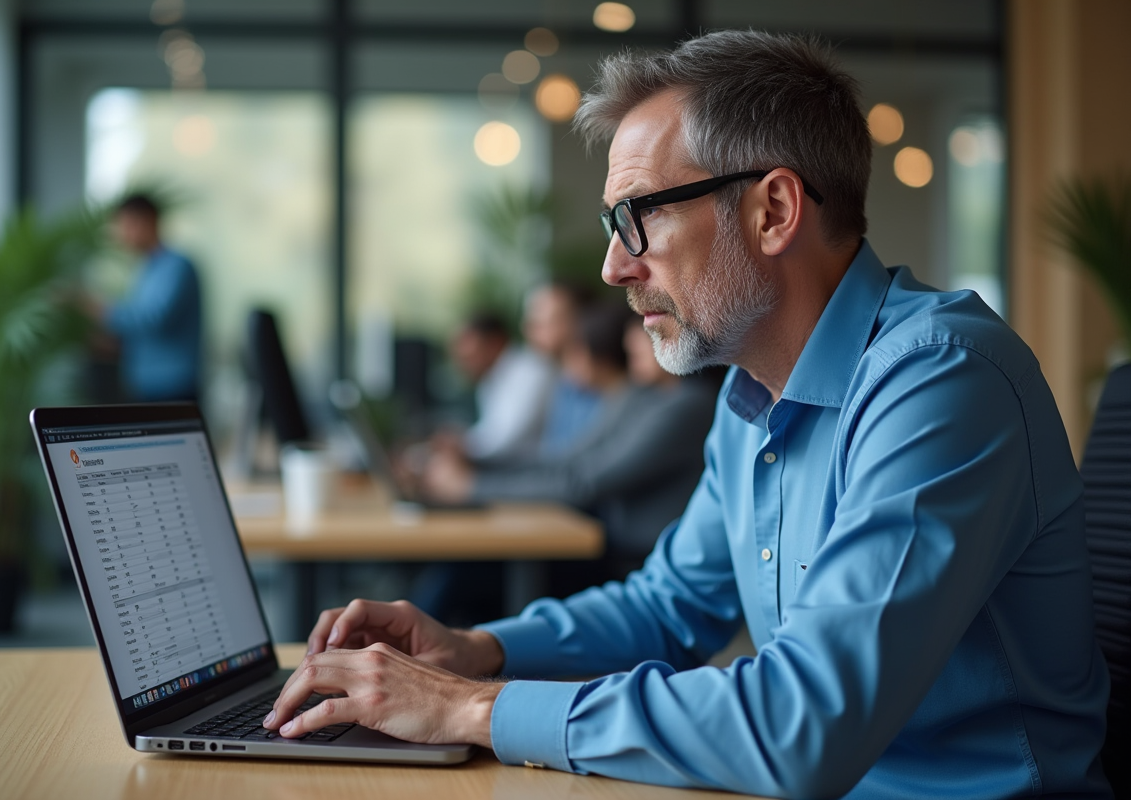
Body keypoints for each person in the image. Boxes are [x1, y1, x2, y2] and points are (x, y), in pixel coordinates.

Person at [261, 31, 1112, 799]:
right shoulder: (750, 396)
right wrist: (476, 650)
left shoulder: (940, 380)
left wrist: (469, 708)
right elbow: (668, 608)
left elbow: (801, 725)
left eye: (639, 215)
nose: (612, 267)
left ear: (773, 211)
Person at [424, 305, 720, 578]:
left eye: (649, 325)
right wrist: (476, 465)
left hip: (638, 560)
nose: (633, 339)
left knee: (468, 573)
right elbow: (566, 460)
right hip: (612, 547)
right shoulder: (641, 397)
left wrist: (471, 487)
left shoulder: (687, 405)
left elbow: (582, 482)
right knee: (461, 570)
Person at [98, 194, 202, 402]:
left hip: (172, 386)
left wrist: (98, 308)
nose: (121, 235)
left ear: (148, 220)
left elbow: (155, 320)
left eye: (127, 225)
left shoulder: (176, 266)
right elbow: (141, 330)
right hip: (143, 384)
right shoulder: (146, 270)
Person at [448, 311, 554, 465]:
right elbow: (490, 430)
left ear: (494, 343)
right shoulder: (489, 379)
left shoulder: (531, 371)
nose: (463, 364)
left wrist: (463, 446)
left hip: (529, 468)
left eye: (469, 355)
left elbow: (509, 440)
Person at [521, 282, 603, 457]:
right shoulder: (563, 384)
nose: (529, 329)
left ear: (579, 321)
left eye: (542, 321)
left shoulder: (601, 387)